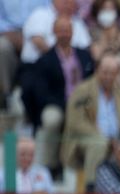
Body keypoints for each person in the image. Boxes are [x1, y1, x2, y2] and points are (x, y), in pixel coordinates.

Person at [21, 15, 94, 173]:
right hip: (57, 104)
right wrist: (65, 105)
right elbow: (41, 92)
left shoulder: (84, 55)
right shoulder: (45, 60)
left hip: (84, 105)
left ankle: (85, 166)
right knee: (52, 119)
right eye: (61, 30)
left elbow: (92, 82)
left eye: (67, 30)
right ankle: (50, 165)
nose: (64, 33)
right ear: (54, 32)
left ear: (72, 32)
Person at [62, 50, 120, 192]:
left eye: (112, 73)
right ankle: (90, 186)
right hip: (86, 139)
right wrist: (102, 136)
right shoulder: (83, 90)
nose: (108, 77)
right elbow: (76, 122)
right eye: (105, 72)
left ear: (117, 74)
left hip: (117, 140)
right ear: (97, 70)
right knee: (98, 143)